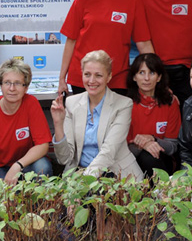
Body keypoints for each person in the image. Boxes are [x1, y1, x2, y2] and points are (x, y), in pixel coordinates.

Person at [58, 0, 154, 97]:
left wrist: (156, 77)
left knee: (115, 121)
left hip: (116, 79)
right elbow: (71, 40)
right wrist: (62, 77)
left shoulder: (132, 0)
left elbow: (143, 43)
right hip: (83, 78)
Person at [51, 50, 143, 180]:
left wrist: (85, 181)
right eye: (87, 74)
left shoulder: (123, 104)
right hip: (80, 173)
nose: (92, 80)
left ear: (109, 77)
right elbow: (64, 158)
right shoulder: (72, 103)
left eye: (98, 75)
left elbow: (108, 152)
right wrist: (58, 124)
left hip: (115, 172)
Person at [0, 58, 53, 184]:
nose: (12, 88)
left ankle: (37, 203)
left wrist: (18, 165)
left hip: (25, 163)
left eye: (18, 83)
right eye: (7, 82)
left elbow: (42, 145)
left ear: (26, 87)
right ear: (1, 85)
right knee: (3, 200)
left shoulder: (31, 104)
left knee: (42, 167)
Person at [125, 53, 181, 176]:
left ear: (159, 77)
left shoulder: (170, 102)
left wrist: (153, 139)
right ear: (134, 77)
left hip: (163, 159)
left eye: (151, 73)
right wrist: (143, 145)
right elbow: (123, 150)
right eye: (141, 73)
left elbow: (173, 147)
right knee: (145, 156)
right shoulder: (125, 105)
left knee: (149, 157)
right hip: (132, 159)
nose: (146, 78)